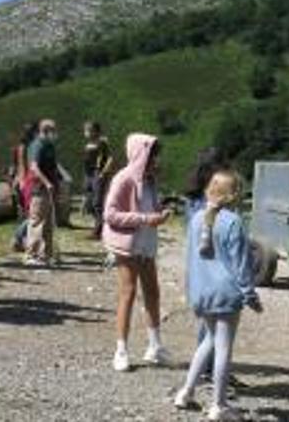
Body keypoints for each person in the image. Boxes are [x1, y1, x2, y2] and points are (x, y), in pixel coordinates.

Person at [173, 170, 261, 421]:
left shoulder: (195, 218)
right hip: (226, 294)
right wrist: (250, 295)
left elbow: (190, 258)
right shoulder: (233, 222)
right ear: (234, 196)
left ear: (209, 191)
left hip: (201, 293)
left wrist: (190, 291)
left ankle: (186, 392)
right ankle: (218, 405)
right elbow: (241, 265)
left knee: (208, 342)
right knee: (223, 348)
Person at [103, 134, 173, 371]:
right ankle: (121, 350)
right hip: (127, 244)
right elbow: (110, 214)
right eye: (152, 154)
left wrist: (159, 212)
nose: (156, 159)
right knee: (128, 293)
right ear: (140, 154)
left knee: (152, 292)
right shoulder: (123, 179)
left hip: (146, 244)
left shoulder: (150, 180)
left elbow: (148, 208)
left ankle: (154, 346)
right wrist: (146, 218)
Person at [24, 119, 61, 266]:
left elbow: (53, 166)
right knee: (37, 220)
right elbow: (34, 167)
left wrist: (56, 183)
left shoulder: (49, 145)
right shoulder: (37, 145)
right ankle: (31, 254)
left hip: (50, 188)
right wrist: (47, 182)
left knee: (48, 223)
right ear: (44, 131)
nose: (55, 134)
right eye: (53, 131)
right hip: (38, 188)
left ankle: (45, 254)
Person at [10, 122, 38, 252]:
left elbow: (16, 166)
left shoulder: (20, 146)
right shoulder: (28, 147)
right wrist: (23, 181)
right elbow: (24, 166)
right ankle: (17, 238)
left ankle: (22, 241)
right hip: (26, 182)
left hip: (20, 181)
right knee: (32, 214)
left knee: (26, 214)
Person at [82, 121, 113, 240]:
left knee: (97, 203)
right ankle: (100, 225)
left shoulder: (102, 142)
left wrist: (102, 173)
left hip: (97, 174)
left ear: (95, 131)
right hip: (88, 175)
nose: (86, 132)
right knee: (89, 203)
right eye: (85, 130)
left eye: (89, 130)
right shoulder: (88, 143)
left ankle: (98, 231)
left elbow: (110, 158)